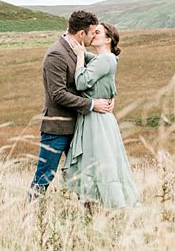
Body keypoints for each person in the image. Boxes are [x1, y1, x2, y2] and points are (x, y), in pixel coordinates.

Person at [29, 11, 115, 198]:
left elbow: (99, 72)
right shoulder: (56, 55)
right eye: (93, 32)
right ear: (82, 34)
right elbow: (58, 95)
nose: (95, 36)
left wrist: (109, 96)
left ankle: (88, 217)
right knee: (44, 176)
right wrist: (93, 104)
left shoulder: (79, 51)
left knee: (84, 175)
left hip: (79, 127)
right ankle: (30, 215)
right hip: (57, 128)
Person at [64, 22, 140, 209]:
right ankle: (94, 208)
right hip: (95, 118)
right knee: (95, 162)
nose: (92, 35)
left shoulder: (106, 60)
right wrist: (72, 38)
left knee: (100, 163)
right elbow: (92, 61)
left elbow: (81, 83)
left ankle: (109, 206)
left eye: (97, 32)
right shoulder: (103, 59)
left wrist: (80, 55)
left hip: (96, 120)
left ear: (108, 39)